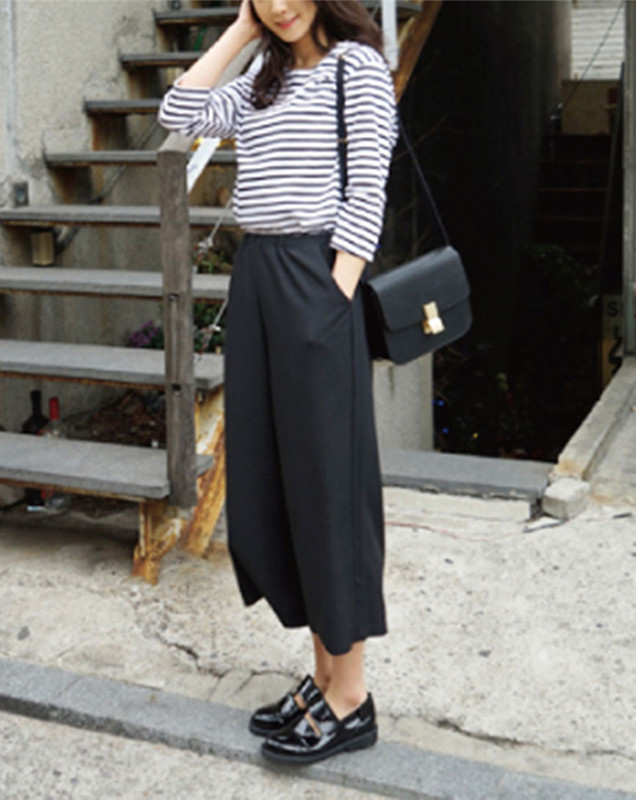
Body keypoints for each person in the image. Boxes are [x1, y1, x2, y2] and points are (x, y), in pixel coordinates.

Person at [158, 0, 398, 766]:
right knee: (280, 481)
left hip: (313, 277)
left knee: (329, 485)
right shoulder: (264, 75)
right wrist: (240, 32)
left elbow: (368, 187)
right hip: (260, 277)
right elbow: (178, 112)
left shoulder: (356, 67)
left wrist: (334, 293)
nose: (282, 4)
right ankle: (324, 678)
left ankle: (351, 696)